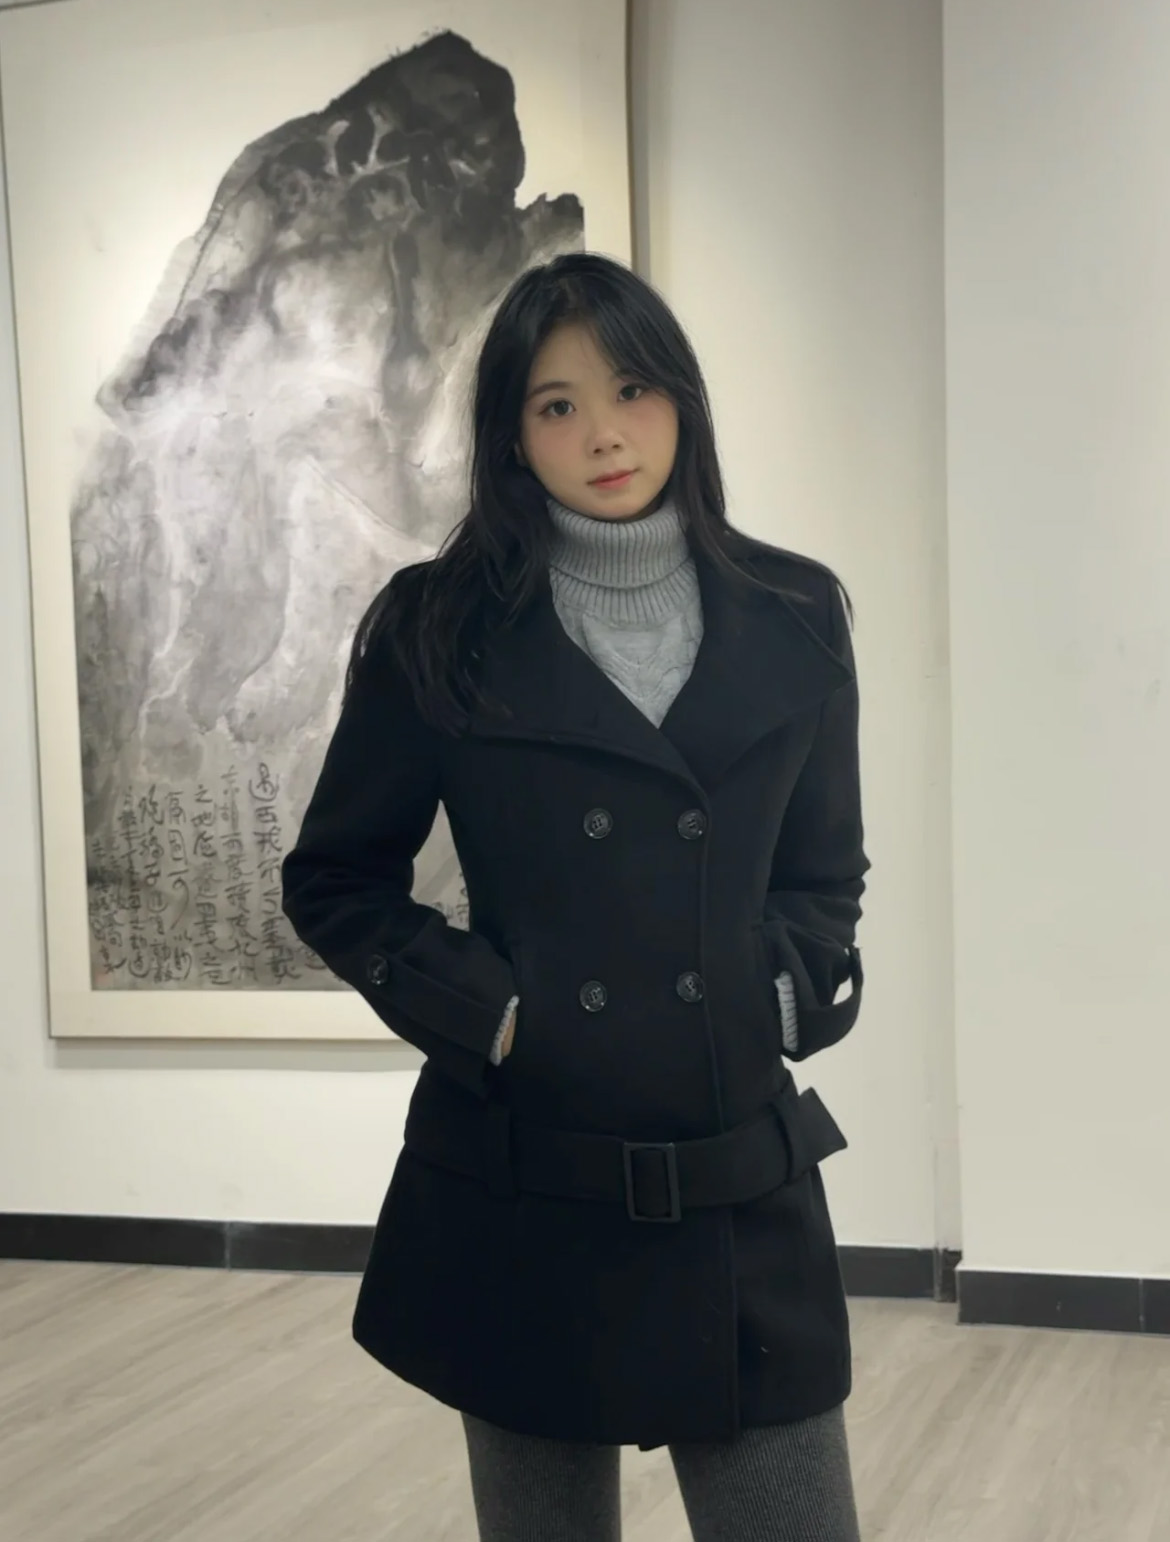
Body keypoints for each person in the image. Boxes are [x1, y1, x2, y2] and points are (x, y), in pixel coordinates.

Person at [281, 252, 869, 1542]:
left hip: (733, 1171)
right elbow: (335, 876)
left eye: (633, 389)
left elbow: (824, 873)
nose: (604, 433)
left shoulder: (797, 611)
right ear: (512, 435)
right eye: (558, 404)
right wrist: (488, 1013)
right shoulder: (438, 626)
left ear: (684, 403)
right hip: (526, 1176)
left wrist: (780, 991)